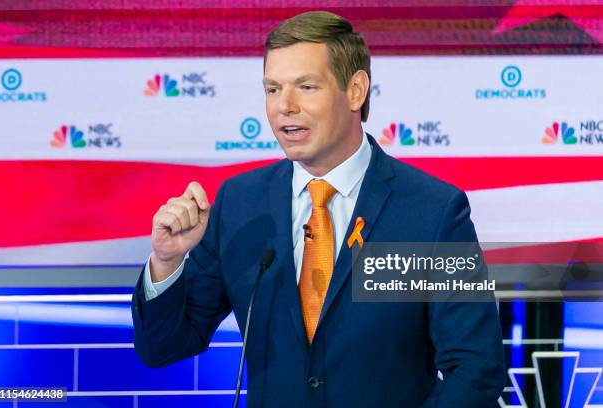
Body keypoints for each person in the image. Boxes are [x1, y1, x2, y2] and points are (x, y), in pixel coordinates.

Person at [131, 11, 505, 407]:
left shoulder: (431, 212)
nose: (284, 106)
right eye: (272, 89)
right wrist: (167, 261)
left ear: (356, 91)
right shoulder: (241, 204)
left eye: (305, 86)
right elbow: (162, 348)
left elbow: (476, 368)